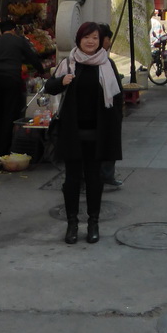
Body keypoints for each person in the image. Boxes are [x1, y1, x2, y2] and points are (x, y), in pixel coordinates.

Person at [44, 21, 124, 245]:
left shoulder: (107, 64)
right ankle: (72, 224)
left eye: (95, 38)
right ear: (79, 39)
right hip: (72, 132)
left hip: (97, 133)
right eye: (86, 37)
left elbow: (117, 99)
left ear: (100, 42)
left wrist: (113, 130)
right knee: (71, 180)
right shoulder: (69, 63)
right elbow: (49, 87)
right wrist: (62, 80)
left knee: (94, 179)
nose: (90, 41)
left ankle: (93, 223)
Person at [0, 18, 45, 158]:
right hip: (12, 79)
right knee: (10, 112)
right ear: (14, 29)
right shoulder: (19, 41)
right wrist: (42, 71)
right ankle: (5, 149)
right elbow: (32, 58)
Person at [98, 23, 123, 188]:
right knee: (104, 145)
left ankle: (106, 175)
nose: (110, 42)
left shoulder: (107, 61)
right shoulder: (101, 62)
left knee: (108, 144)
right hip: (102, 113)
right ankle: (102, 176)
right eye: (108, 38)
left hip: (110, 111)